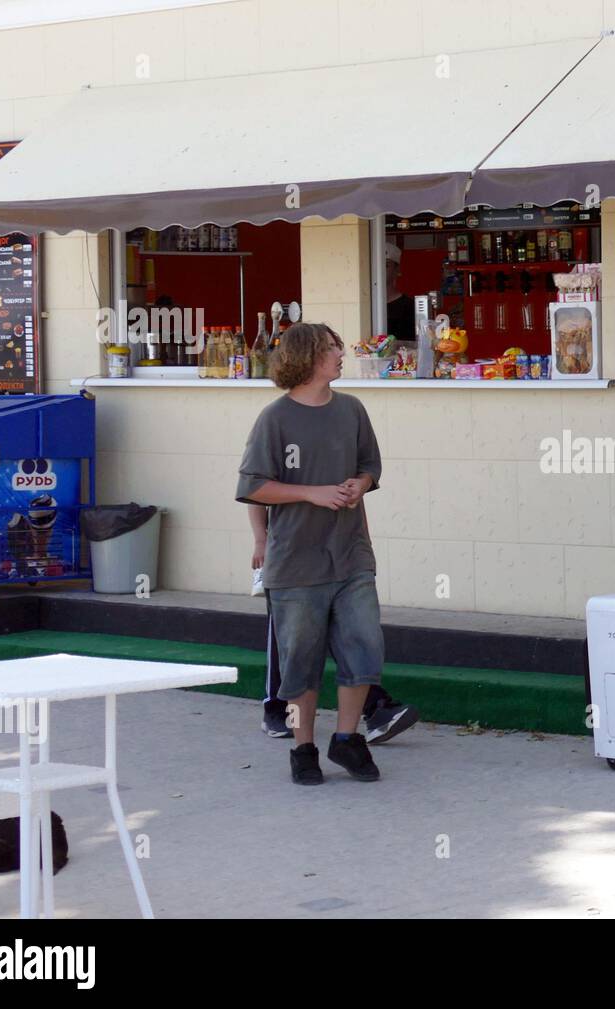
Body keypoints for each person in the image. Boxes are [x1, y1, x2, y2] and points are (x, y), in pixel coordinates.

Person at [236, 321, 386, 785]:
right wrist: (312, 493)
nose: (340, 353)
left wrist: (358, 486)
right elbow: (254, 485)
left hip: (351, 555)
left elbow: (369, 467)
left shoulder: (353, 410)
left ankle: (346, 739)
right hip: (296, 562)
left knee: (365, 646)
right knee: (301, 661)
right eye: (331, 347)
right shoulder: (274, 418)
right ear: (308, 357)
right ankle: (303, 748)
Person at [249, 503, 420, 744]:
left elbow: (356, 501)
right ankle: (276, 709)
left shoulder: (339, 466)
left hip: (335, 556)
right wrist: (260, 541)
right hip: (290, 561)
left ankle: (374, 708)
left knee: (348, 629)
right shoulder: (279, 467)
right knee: (291, 635)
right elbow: (255, 489)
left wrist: (363, 551)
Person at [384, 242, 415, 340]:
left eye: (386, 265)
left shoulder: (409, 307)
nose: (380, 270)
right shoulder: (366, 307)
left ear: (397, 270)